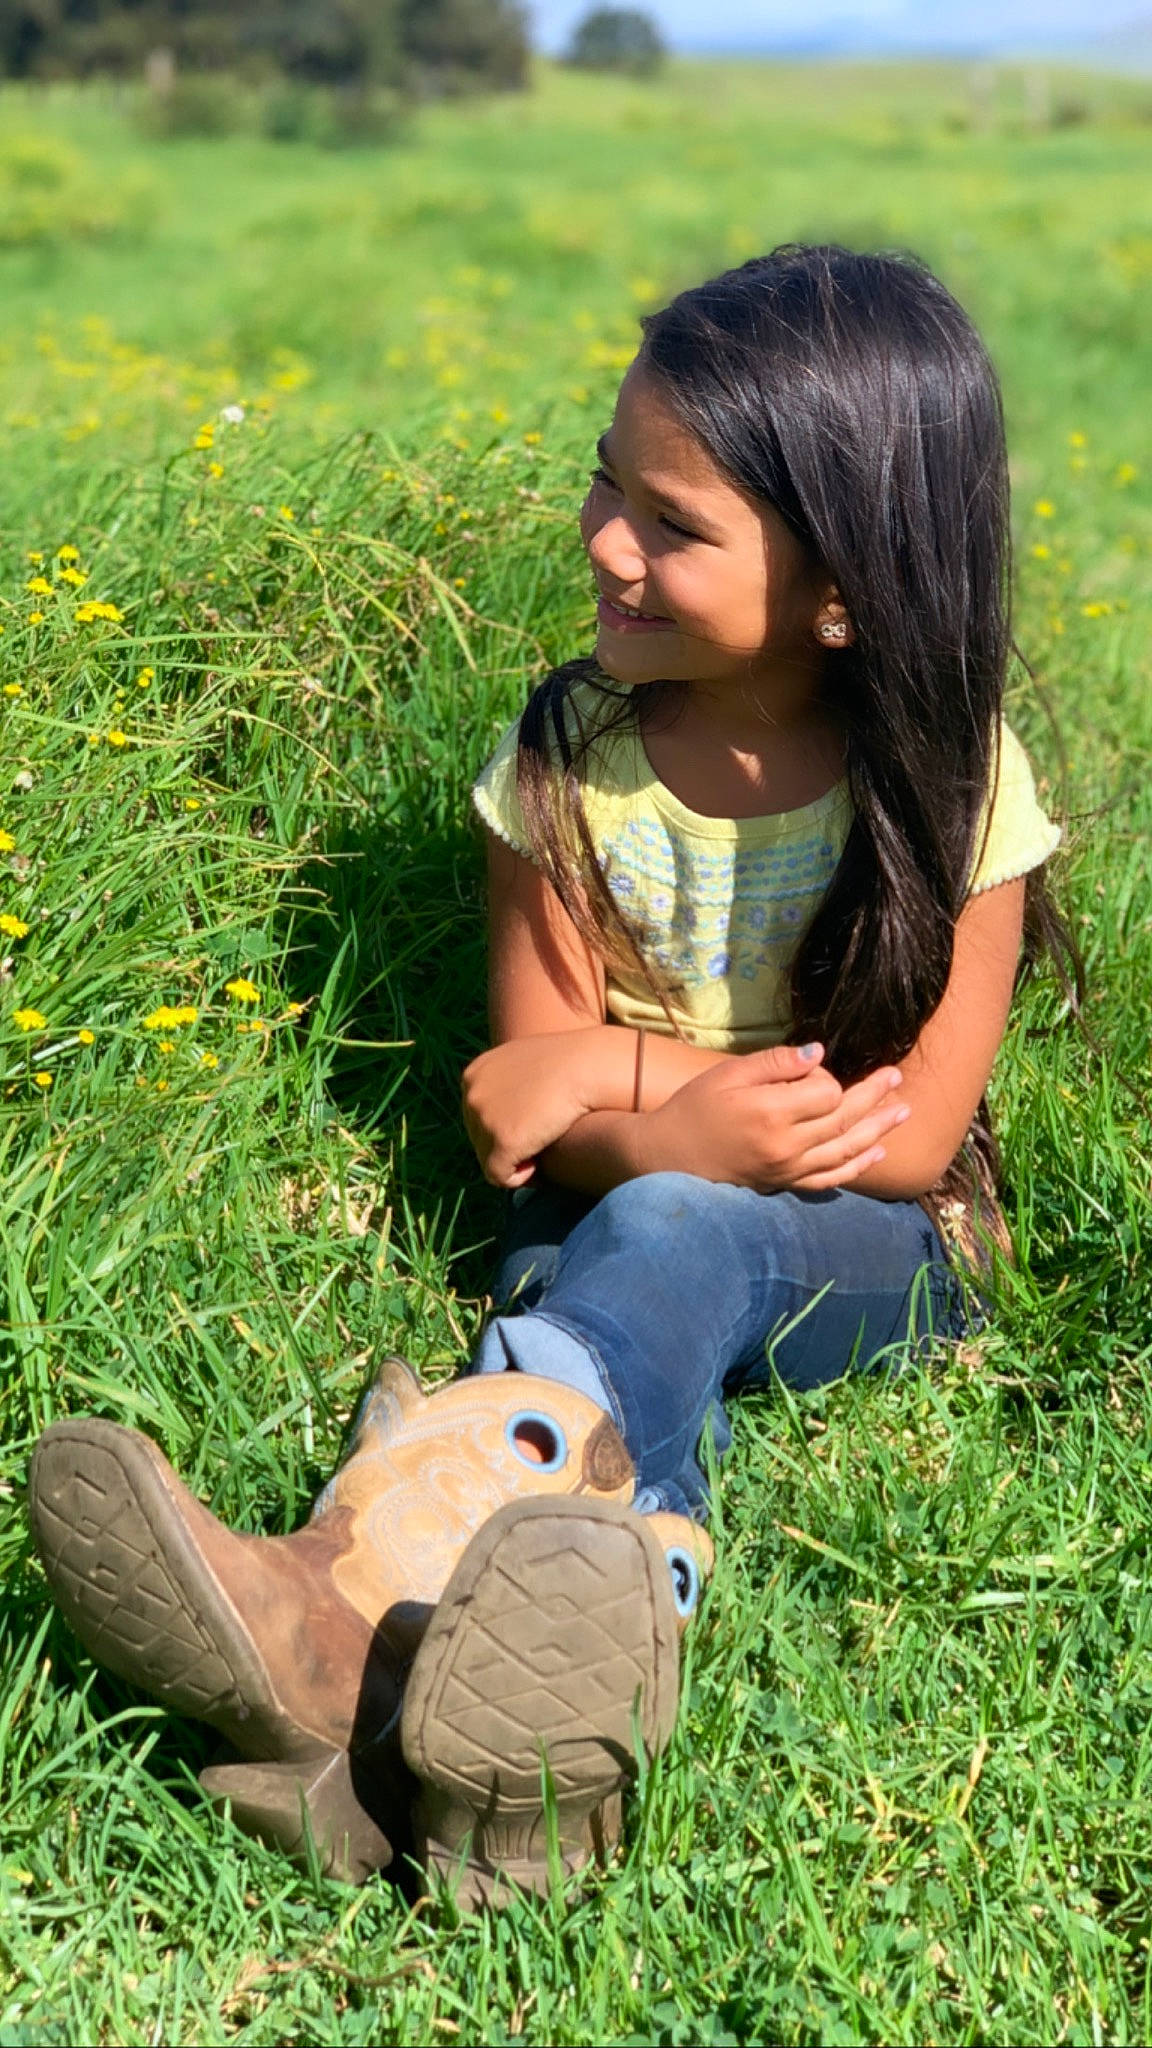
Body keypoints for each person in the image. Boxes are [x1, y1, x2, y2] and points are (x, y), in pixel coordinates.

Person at [28, 245, 1066, 1907]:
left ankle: (343, 1597)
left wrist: (635, 1092)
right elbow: (524, 1110)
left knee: (673, 1236)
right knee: (604, 1274)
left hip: (888, 1245)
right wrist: (622, 1096)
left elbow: (906, 1136)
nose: (606, 543)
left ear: (845, 591)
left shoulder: (951, 779)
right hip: (625, 1222)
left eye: (674, 523)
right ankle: (501, 1773)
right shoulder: (568, 765)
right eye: (609, 484)